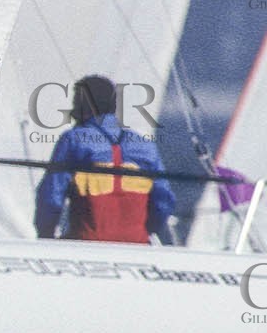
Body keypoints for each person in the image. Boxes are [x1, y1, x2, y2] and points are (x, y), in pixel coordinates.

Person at [34, 75, 175, 243]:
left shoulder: (72, 140)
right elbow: (164, 201)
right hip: (137, 245)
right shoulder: (145, 145)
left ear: (82, 106)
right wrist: (148, 230)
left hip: (87, 243)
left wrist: (45, 235)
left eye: (75, 103)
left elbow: (51, 197)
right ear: (113, 105)